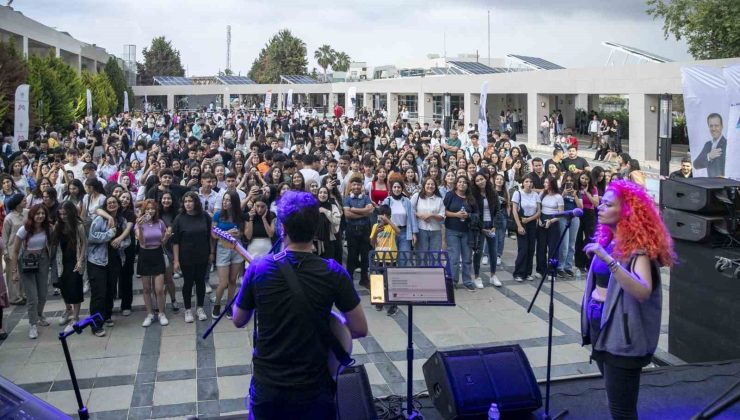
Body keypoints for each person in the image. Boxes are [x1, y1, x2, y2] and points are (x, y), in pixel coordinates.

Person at [232, 190, 368, 419]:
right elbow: (359, 329)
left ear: (282, 229)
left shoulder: (260, 268)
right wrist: (332, 323)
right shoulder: (334, 271)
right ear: (315, 229)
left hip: (269, 386)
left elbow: (238, 319)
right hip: (314, 387)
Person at [581, 180, 674, 419]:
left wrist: (609, 260)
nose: (600, 208)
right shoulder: (608, 240)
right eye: (601, 203)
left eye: (608, 205)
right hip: (600, 326)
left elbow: (643, 291)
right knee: (614, 398)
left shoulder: (638, 251)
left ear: (626, 211)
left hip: (623, 337)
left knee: (621, 409)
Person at [172, 191, 213, 323]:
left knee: (200, 281)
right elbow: (175, 241)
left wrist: (212, 253)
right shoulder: (179, 218)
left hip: (202, 255)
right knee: (188, 283)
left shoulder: (205, 216)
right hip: (186, 257)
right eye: (186, 201)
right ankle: (188, 309)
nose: (188, 204)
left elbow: (210, 237)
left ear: (196, 202)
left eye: (190, 201)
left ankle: (200, 308)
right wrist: (176, 260)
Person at [13, 204, 52, 339]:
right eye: (37, 213)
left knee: (43, 294)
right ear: (32, 215)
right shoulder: (24, 229)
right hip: (26, 263)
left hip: (42, 261)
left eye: (43, 213)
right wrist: (13, 271)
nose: (40, 216)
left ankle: (39, 314)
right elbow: (16, 251)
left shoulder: (48, 228)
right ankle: (33, 324)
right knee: (32, 297)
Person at [52, 201, 87, 334]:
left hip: (75, 259)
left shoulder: (78, 226)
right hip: (62, 261)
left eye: (65, 214)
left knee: (75, 287)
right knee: (64, 287)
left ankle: (76, 317)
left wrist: (80, 260)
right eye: (60, 214)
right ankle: (69, 310)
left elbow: (84, 243)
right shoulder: (58, 225)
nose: (63, 216)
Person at [135, 199, 170, 327]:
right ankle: (149, 314)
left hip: (157, 254)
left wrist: (167, 235)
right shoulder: (139, 223)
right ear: (144, 210)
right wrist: (139, 226)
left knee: (159, 289)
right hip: (145, 255)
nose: (150, 211)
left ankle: (161, 313)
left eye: (152, 208)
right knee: (146, 288)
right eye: (148, 208)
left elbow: (162, 241)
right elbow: (142, 242)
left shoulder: (160, 223)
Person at [212, 191, 245, 319]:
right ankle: (217, 304)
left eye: (228, 200)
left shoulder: (239, 216)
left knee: (233, 280)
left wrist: (238, 234)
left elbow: (242, 232)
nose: (225, 202)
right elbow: (214, 234)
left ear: (234, 202)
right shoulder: (218, 215)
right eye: (224, 200)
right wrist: (227, 233)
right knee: (223, 282)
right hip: (222, 248)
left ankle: (229, 305)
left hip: (236, 248)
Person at [443, 176, 478, 291]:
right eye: (460, 182)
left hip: (467, 231)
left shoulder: (471, 198)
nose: (462, 184)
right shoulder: (450, 195)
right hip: (452, 230)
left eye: (464, 182)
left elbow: (477, 214)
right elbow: (443, 211)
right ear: (456, 184)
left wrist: (468, 215)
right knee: (454, 258)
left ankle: (467, 281)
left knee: (467, 258)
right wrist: (456, 215)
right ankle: (453, 280)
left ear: (467, 185)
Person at [343, 175, 374, 289]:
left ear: (361, 186)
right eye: (354, 185)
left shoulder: (366, 198)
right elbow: (347, 214)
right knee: (351, 256)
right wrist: (363, 212)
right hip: (351, 231)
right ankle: (349, 278)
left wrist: (354, 210)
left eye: (358, 185)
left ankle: (364, 279)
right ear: (351, 186)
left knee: (365, 256)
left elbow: (370, 211)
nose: (356, 187)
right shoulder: (347, 199)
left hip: (365, 230)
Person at [471, 171, 502, 287]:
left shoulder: (492, 192)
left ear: (486, 179)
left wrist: (495, 226)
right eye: (477, 180)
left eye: (482, 179)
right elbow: (473, 213)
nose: (480, 182)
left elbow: (498, 210)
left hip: (492, 225)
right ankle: (477, 277)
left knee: (493, 252)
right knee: (478, 252)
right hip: (480, 226)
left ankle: (493, 276)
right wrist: (481, 228)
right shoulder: (473, 194)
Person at [512, 175, 541, 282]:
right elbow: (514, 210)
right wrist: (519, 225)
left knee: (531, 248)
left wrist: (529, 220)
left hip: (532, 222)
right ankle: (518, 272)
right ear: (523, 183)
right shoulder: (517, 193)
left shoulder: (535, 195)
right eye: (526, 181)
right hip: (521, 221)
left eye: (531, 182)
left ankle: (528, 272)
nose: (529, 184)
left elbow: (538, 212)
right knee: (523, 248)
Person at [536, 177, 564, 279]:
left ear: (552, 184)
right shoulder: (542, 194)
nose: (545, 184)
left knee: (553, 248)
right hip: (542, 219)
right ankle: (540, 269)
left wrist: (551, 221)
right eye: (544, 182)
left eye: (547, 182)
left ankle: (552, 271)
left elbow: (561, 214)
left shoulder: (558, 197)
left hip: (553, 221)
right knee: (541, 247)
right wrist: (539, 220)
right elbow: (538, 208)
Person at [2, 194, 27, 305]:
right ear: (17, 203)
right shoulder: (9, 218)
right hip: (12, 249)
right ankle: (14, 298)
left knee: (24, 273)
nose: (26, 201)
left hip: (25, 248)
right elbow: (5, 237)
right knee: (12, 275)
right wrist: (5, 252)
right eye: (23, 200)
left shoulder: (27, 212)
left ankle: (23, 294)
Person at [558, 173, 583, 278]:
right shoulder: (560, 190)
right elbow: (557, 202)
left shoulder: (577, 192)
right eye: (567, 180)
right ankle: (560, 267)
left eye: (571, 181)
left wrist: (575, 196)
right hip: (563, 217)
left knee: (572, 244)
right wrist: (563, 193)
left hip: (574, 218)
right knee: (564, 243)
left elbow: (581, 207)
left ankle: (568, 266)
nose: (569, 183)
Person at [411, 178, 445, 253]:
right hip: (421, 229)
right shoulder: (417, 196)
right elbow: (410, 210)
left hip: (436, 230)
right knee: (421, 256)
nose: (430, 186)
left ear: (435, 186)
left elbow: (442, 216)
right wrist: (420, 215)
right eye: (428, 184)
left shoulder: (439, 199)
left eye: (432, 184)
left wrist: (431, 215)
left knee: (435, 256)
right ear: (424, 185)